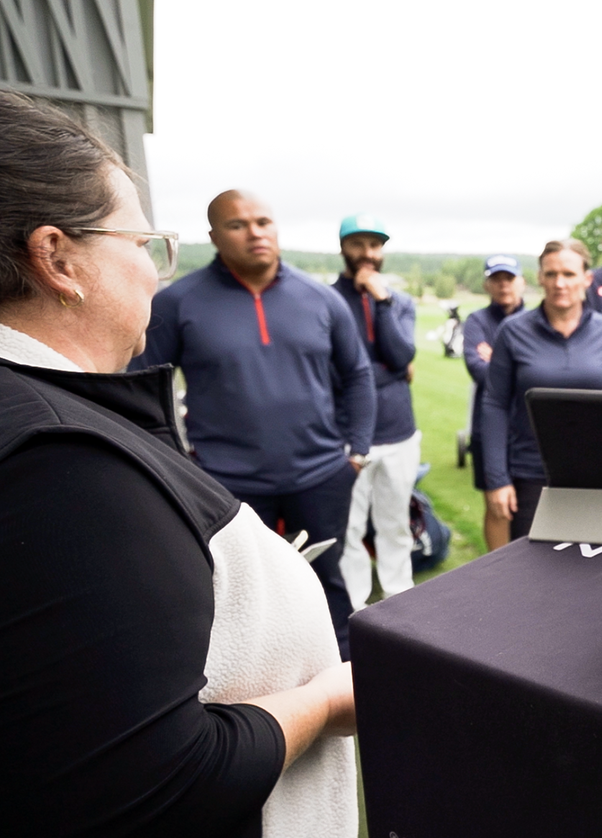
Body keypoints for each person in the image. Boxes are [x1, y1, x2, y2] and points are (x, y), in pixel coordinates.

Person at [0, 90, 356, 836]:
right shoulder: (60, 464)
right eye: (139, 244)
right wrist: (323, 702)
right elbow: (154, 785)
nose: (154, 275)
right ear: (57, 258)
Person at [134, 190, 375, 661]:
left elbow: (358, 376)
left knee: (327, 581)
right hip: (227, 484)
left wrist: (357, 453)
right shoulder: (179, 303)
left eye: (263, 221)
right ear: (213, 237)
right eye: (237, 225)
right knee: (241, 596)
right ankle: (262, 695)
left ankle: (348, 681)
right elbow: (142, 388)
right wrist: (180, 467)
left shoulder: (321, 299)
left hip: (322, 475)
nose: (255, 233)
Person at [480, 239, 602, 539]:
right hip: (530, 474)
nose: (559, 283)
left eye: (568, 274)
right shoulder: (512, 332)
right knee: (530, 573)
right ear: (539, 278)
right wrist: (497, 479)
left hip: (597, 477)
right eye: (551, 274)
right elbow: (494, 405)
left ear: (587, 279)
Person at [331, 214, 421, 610]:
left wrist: (382, 301)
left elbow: (401, 355)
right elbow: (337, 370)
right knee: (348, 528)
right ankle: (355, 604)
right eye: (359, 244)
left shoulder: (398, 301)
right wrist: (390, 370)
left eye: (375, 245)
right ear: (343, 248)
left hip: (400, 432)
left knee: (394, 523)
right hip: (347, 434)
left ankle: (398, 597)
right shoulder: (329, 301)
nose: (368, 254)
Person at [465, 254, 527, 550]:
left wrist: (499, 362)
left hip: (528, 429)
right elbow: (478, 370)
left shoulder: (534, 320)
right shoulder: (477, 321)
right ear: (487, 285)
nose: (504, 286)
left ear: (522, 283)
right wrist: (526, 368)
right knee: (496, 503)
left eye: (509, 279)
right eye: (497, 279)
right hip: (487, 427)